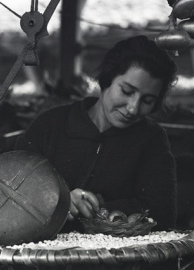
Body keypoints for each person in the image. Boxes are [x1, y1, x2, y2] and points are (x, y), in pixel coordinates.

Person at [15, 35, 178, 231]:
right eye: (126, 91)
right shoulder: (51, 125)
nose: (133, 108)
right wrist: (60, 200)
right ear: (106, 80)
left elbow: (162, 211)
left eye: (148, 100)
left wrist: (99, 207)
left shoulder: (151, 139)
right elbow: (14, 192)